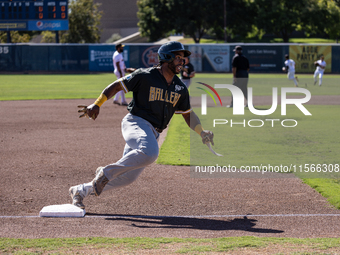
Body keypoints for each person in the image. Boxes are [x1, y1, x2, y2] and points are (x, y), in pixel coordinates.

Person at [70, 41, 215, 209]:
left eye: (183, 59)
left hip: (153, 132)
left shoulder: (180, 88)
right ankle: (105, 172)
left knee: (127, 178)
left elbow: (188, 114)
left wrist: (202, 132)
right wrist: (97, 104)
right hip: (135, 123)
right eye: (178, 58)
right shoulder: (145, 75)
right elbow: (117, 85)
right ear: (166, 57)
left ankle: (80, 191)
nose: (182, 62)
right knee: (151, 152)